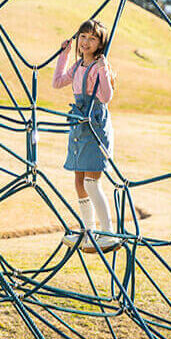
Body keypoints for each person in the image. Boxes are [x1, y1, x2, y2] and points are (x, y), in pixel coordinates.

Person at [52, 19, 120, 253]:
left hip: (95, 124)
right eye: (83, 36)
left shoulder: (100, 66)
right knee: (79, 181)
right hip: (79, 124)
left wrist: (103, 68)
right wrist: (64, 55)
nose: (86, 41)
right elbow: (58, 82)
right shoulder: (78, 65)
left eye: (92, 38)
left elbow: (105, 97)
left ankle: (108, 232)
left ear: (101, 43)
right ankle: (89, 231)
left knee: (92, 182)